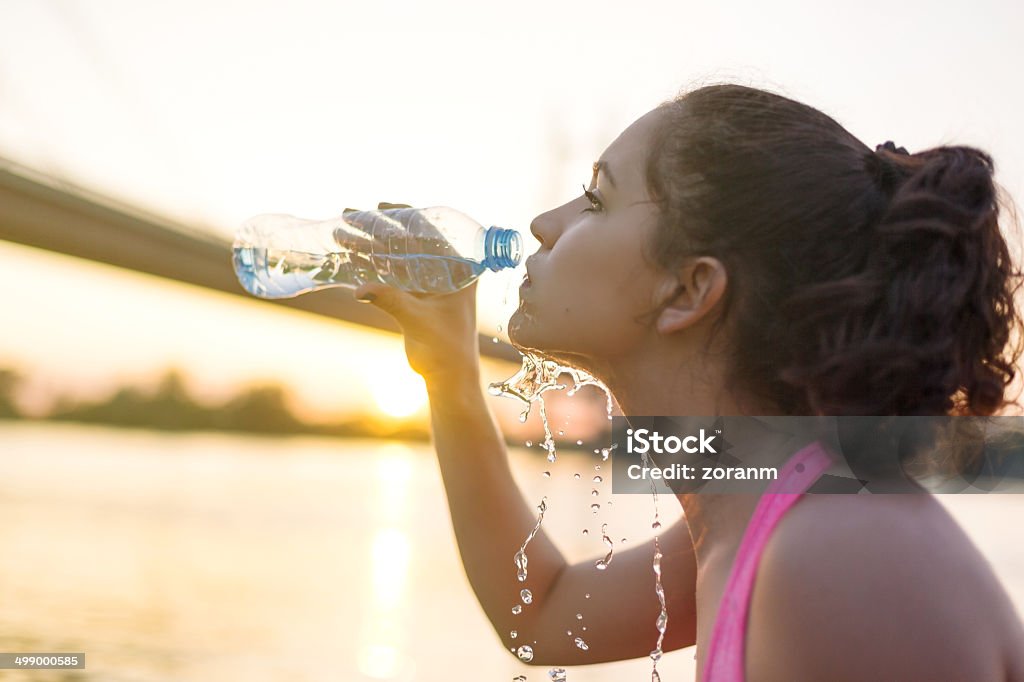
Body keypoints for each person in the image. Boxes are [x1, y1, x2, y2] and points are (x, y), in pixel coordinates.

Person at [352, 83, 1024, 680]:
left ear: (689, 288)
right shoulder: (761, 502)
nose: (542, 225)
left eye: (595, 199)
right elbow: (544, 615)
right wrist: (447, 371)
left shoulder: (838, 558)